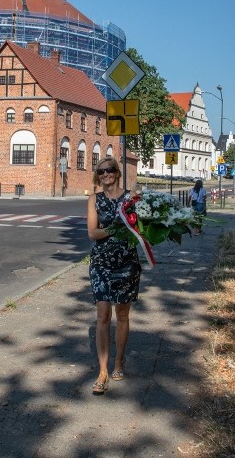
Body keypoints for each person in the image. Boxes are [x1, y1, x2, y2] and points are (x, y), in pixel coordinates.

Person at [86, 158, 142, 395]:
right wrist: (115, 229)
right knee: (102, 316)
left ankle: (118, 361)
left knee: (122, 314)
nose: (106, 174)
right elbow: (92, 233)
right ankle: (102, 371)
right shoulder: (94, 200)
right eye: (102, 171)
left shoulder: (130, 198)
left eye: (110, 170)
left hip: (127, 262)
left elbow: (140, 227)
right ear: (98, 176)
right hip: (101, 263)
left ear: (118, 173)